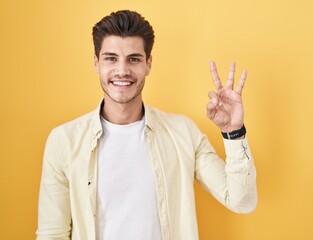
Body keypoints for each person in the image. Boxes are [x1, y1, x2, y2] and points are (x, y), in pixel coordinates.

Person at [36, 10, 257, 240]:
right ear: (96, 63)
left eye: (134, 59)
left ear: (148, 64)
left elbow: (243, 201)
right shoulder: (64, 141)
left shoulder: (184, 133)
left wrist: (233, 132)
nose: (122, 70)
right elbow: (52, 234)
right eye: (111, 58)